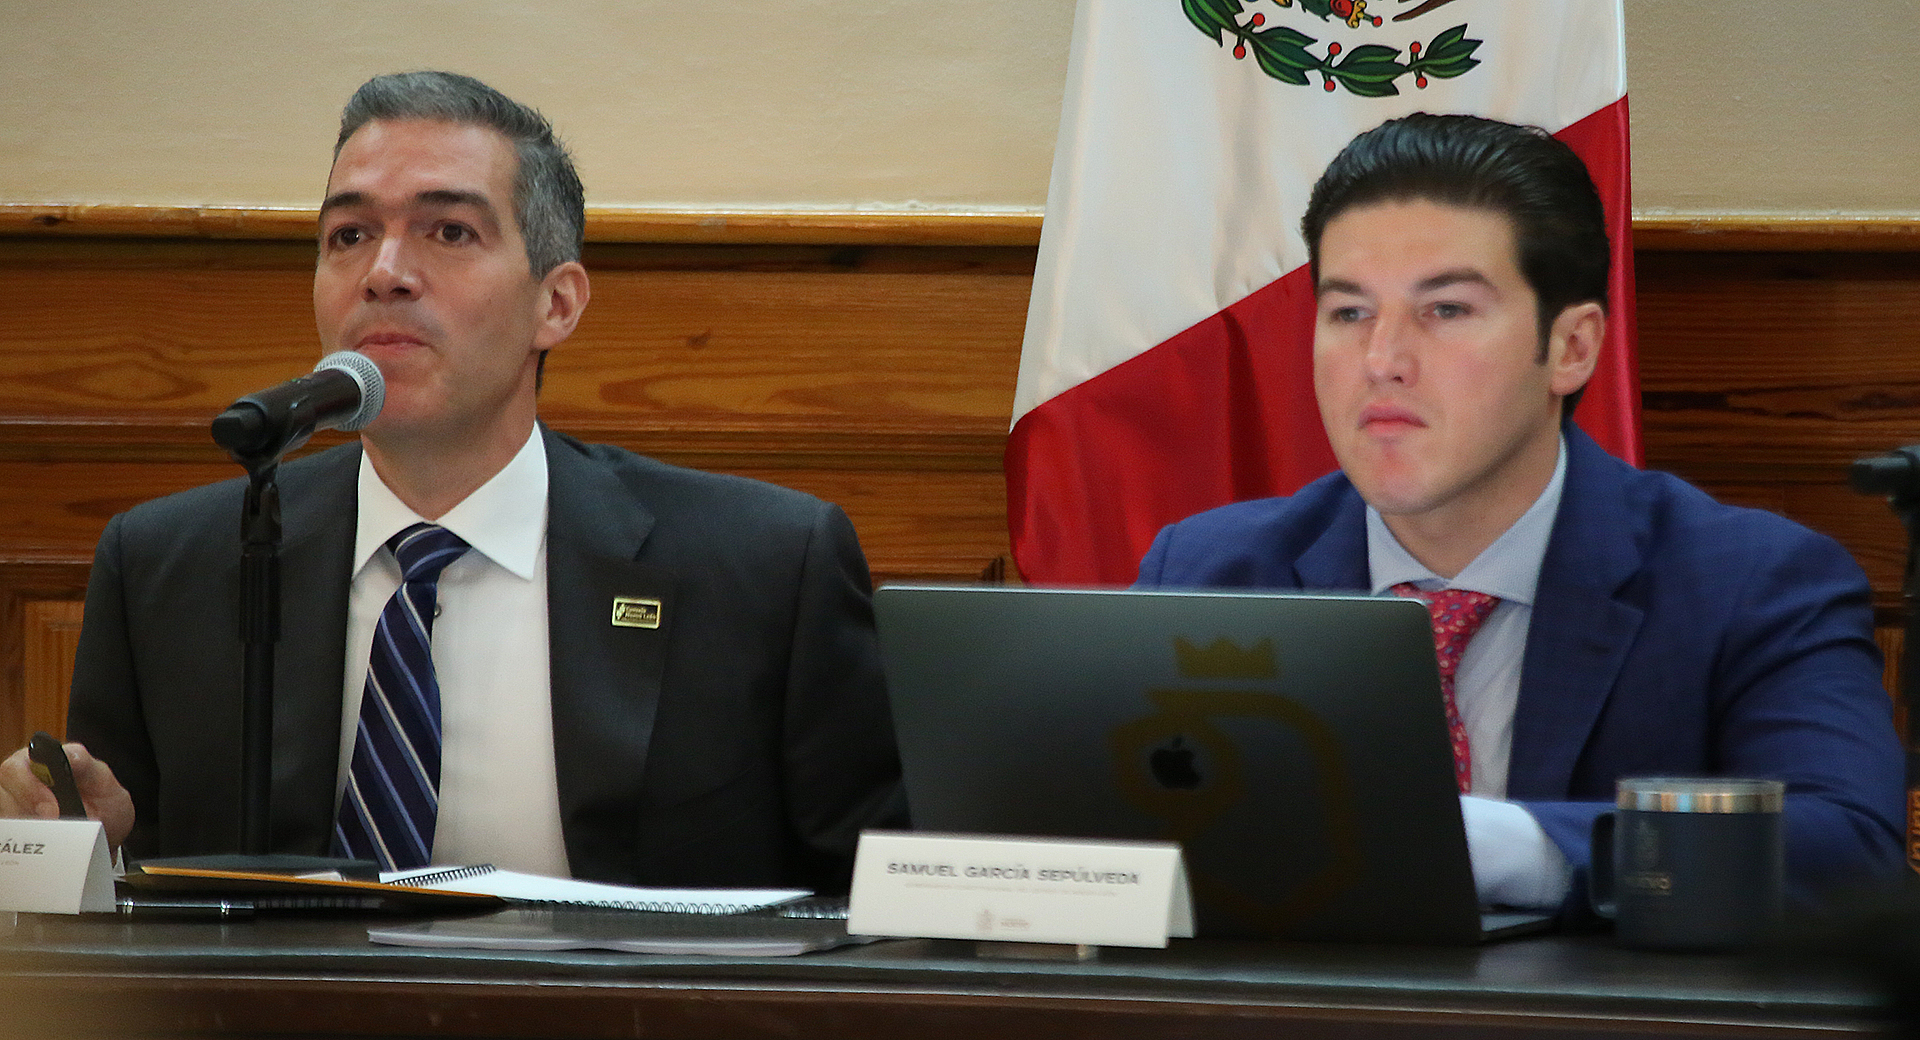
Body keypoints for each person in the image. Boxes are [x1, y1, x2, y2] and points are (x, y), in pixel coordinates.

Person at [0, 71, 903, 892]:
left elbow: (878, 906)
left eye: (449, 231)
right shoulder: (169, 565)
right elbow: (120, 922)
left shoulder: (764, 566)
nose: (385, 274)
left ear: (556, 302)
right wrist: (82, 853)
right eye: (349, 235)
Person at [1135, 112, 1904, 911]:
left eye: (1446, 310)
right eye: (1350, 313)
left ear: (1571, 348)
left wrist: (1505, 847)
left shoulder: (1749, 584)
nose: (1382, 361)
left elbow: (1850, 849)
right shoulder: (1210, 574)